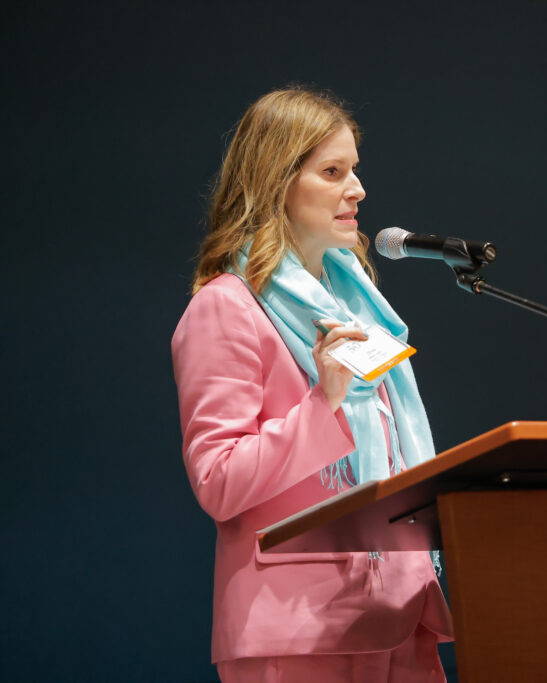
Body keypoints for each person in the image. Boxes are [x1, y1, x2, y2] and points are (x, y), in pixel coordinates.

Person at [171, 87, 453, 682]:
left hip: (401, 612)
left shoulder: (360, 309)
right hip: (302, 629)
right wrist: (322, 402)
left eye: (355, 170)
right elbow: (218, 482)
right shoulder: (227, 308)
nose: (358, 190)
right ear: (277, 182)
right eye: (333, 172)